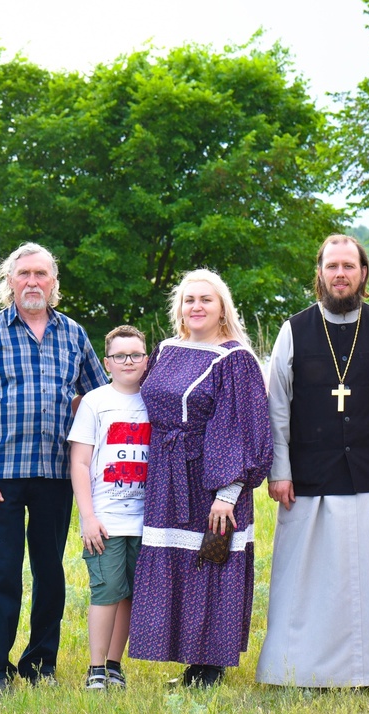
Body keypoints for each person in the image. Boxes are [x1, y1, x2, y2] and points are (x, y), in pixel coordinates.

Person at [257, 234, 369, 688]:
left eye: (349, 266)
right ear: (319, 274)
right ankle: (299, 670)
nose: (340, 274)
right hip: (309, 476)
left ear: (364, 273)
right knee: (308, 580)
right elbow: (277, 406)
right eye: (332, 266)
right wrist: (279, 470)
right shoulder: (294, 329)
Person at [0, 243, 109, 692]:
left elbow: (97, 400)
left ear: (54, 282)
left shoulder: (74, 335)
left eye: (41, 274)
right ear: (10, 282)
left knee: (49, 571)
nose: (33, 282)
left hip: (57, 474)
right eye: (23, 274)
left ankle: (40, 663)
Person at [126, 270, 272, 688]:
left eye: (206, 299)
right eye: (190, 299)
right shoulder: (168, 350)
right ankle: (190, 659)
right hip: (166, 475)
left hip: (212, 478)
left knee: (211, 558)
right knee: (177, 562)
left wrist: (227, 493)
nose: (197, 307)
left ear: (222, 306)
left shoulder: (235, 359)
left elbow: (243, 427)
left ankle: (210, 666)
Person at [68, 325, 151, 690]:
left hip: (146, 520)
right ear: (107, 363)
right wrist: (88, 516)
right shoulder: (96, 402)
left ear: (146, 361)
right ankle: (95, 668)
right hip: (106, 519)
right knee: (107, 590)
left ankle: (115, 664)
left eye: (135, 355)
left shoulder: (154, 401)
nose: (128, 361)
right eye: (120, 356)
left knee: (130, 591)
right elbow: (80, 463)